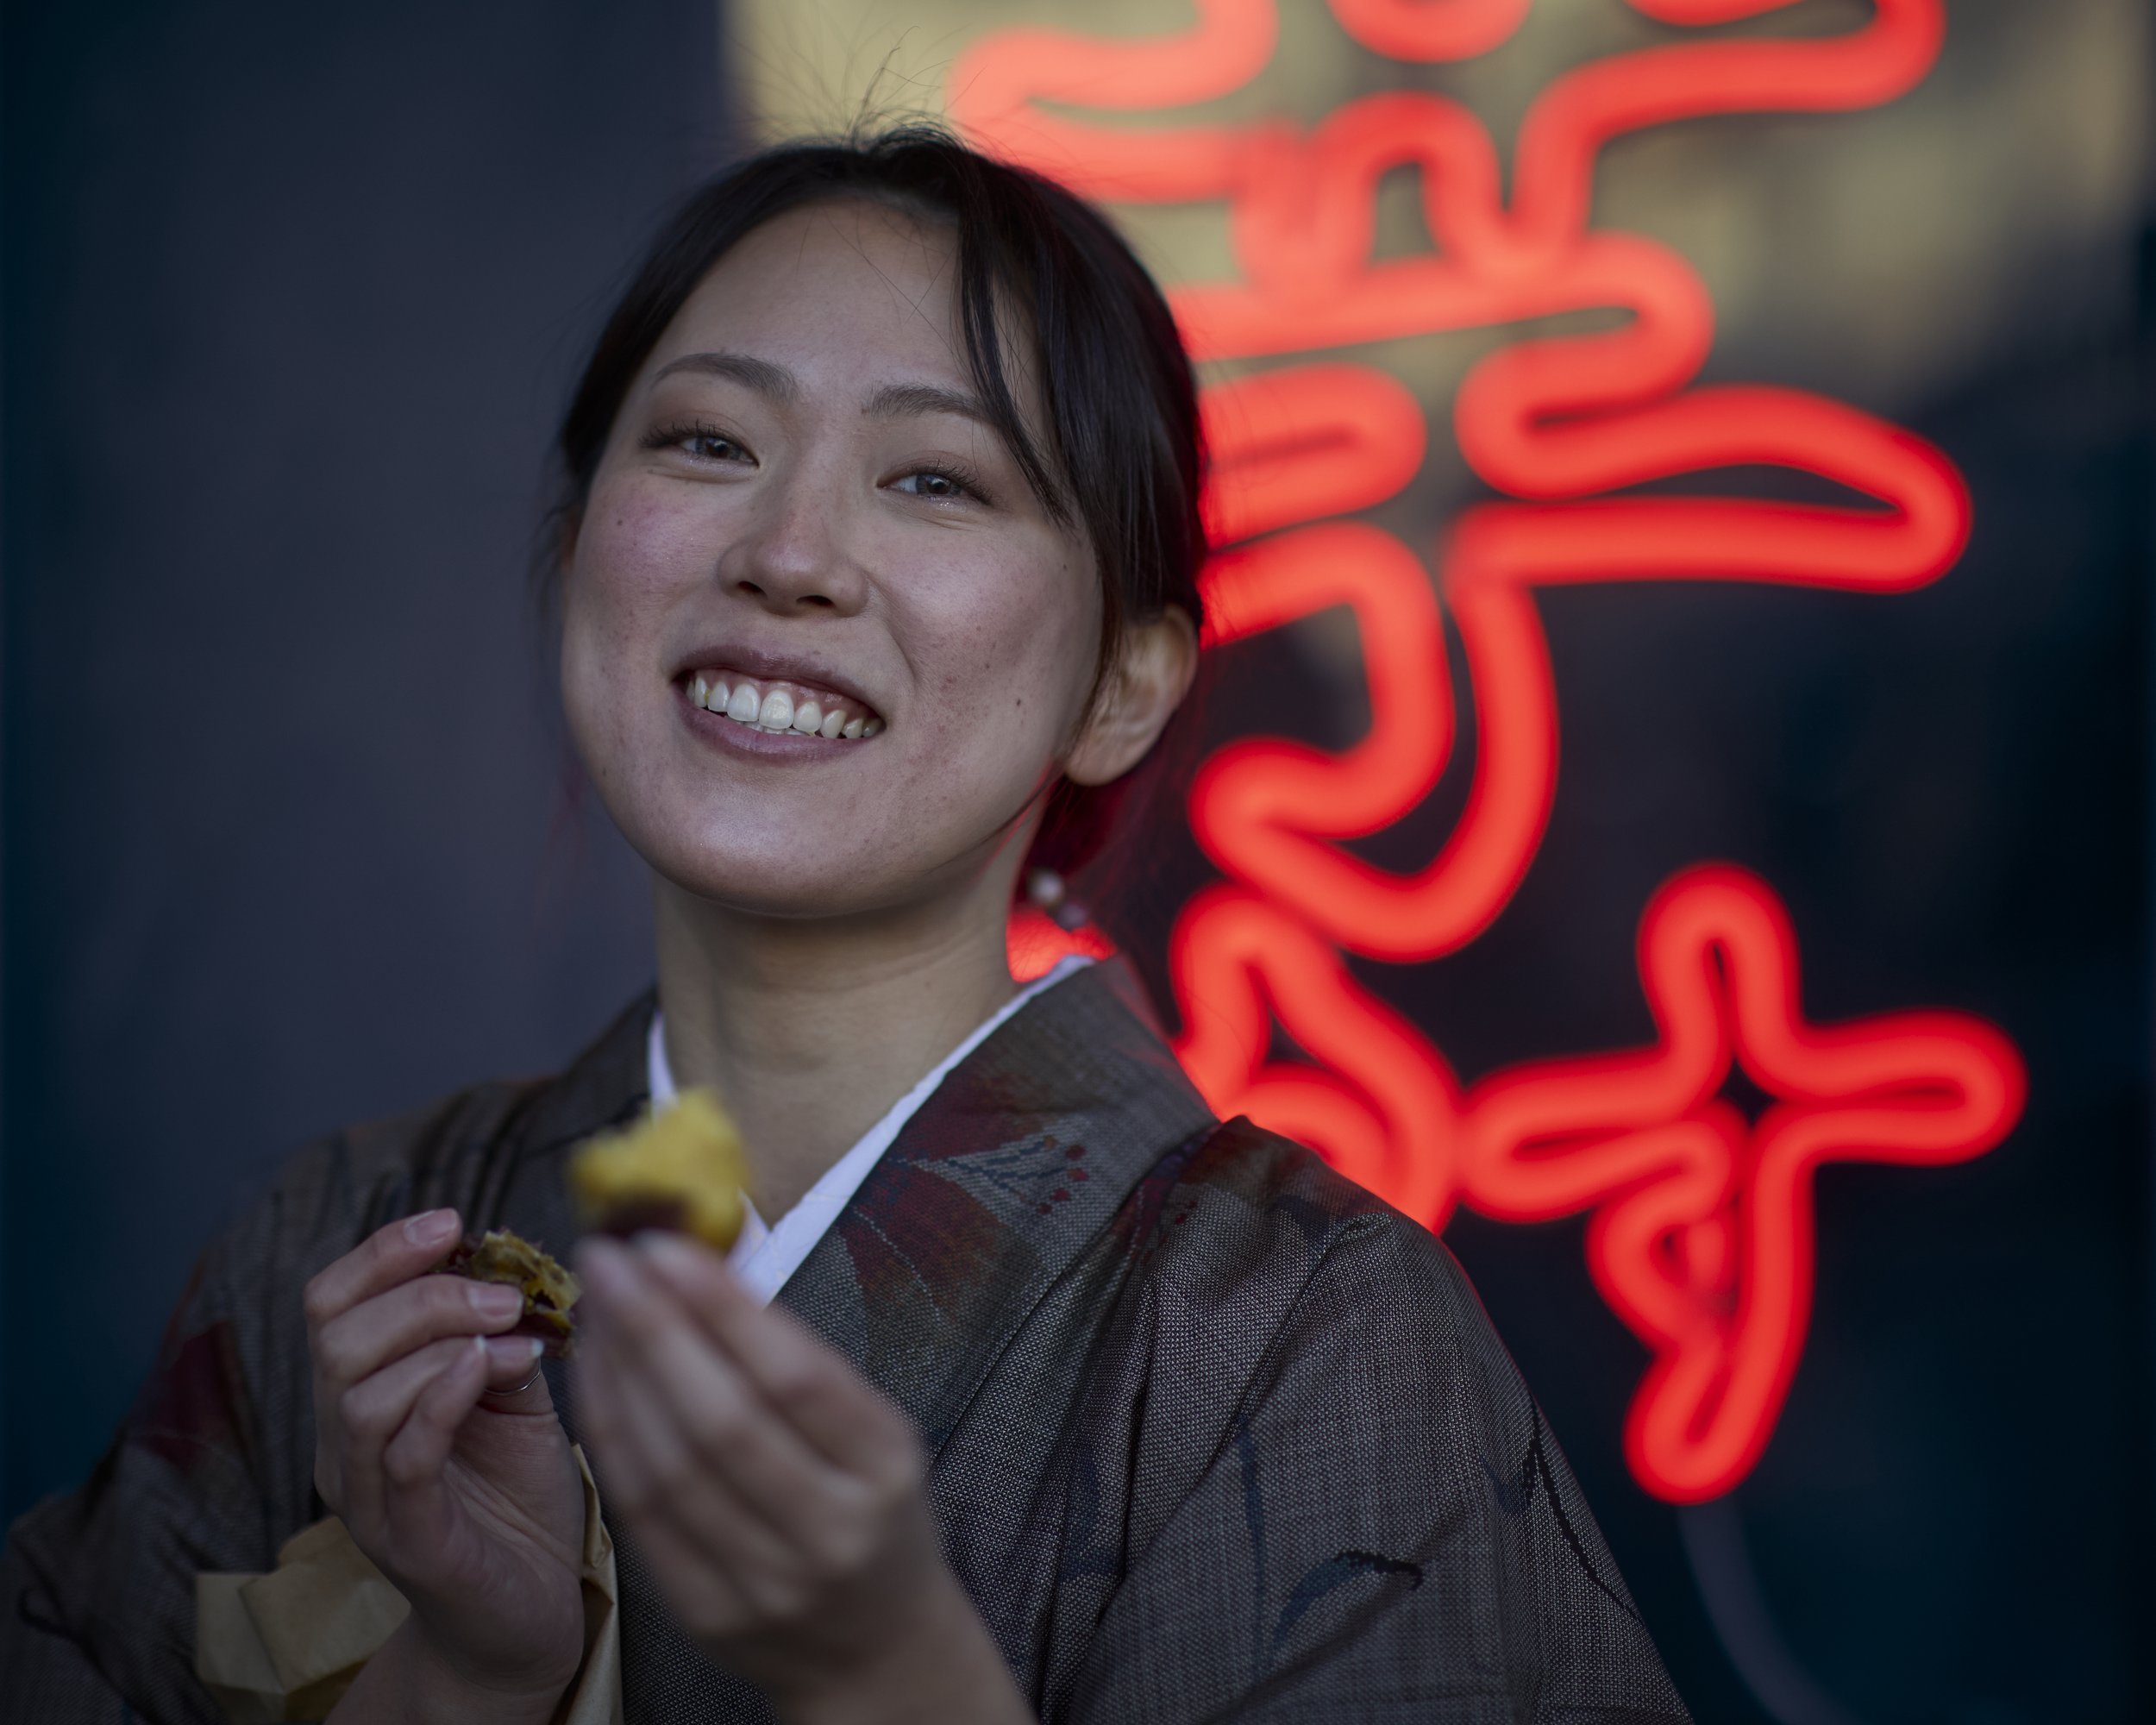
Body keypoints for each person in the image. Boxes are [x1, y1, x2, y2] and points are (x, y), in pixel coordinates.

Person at [1, 127, 1689, 1723]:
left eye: (936, 480)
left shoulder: (1295, 1337)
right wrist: (463, 1668)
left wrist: (890, 1667)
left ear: (1121, 685)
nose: (788, 553)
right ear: (578, 538)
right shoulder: (349, 1250)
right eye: (707, 443)